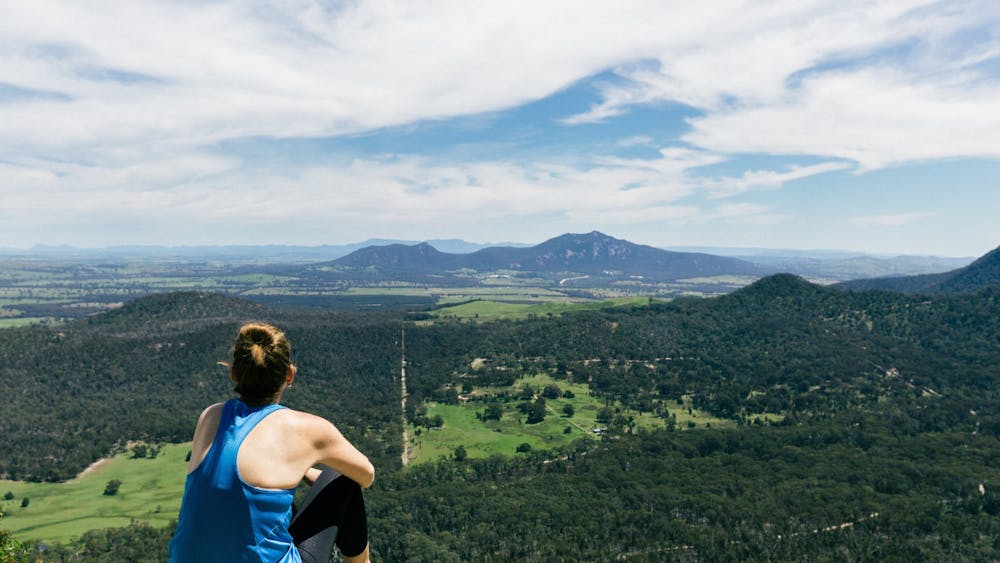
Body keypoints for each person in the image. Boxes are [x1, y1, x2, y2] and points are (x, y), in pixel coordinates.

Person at [169, 322, 374, 563]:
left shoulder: (210, 417)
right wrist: (310, 474)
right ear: (289, 375)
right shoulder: (307, 429)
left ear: (234, 373)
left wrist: (302, 470)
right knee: (342, 477)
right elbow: (366, 475)